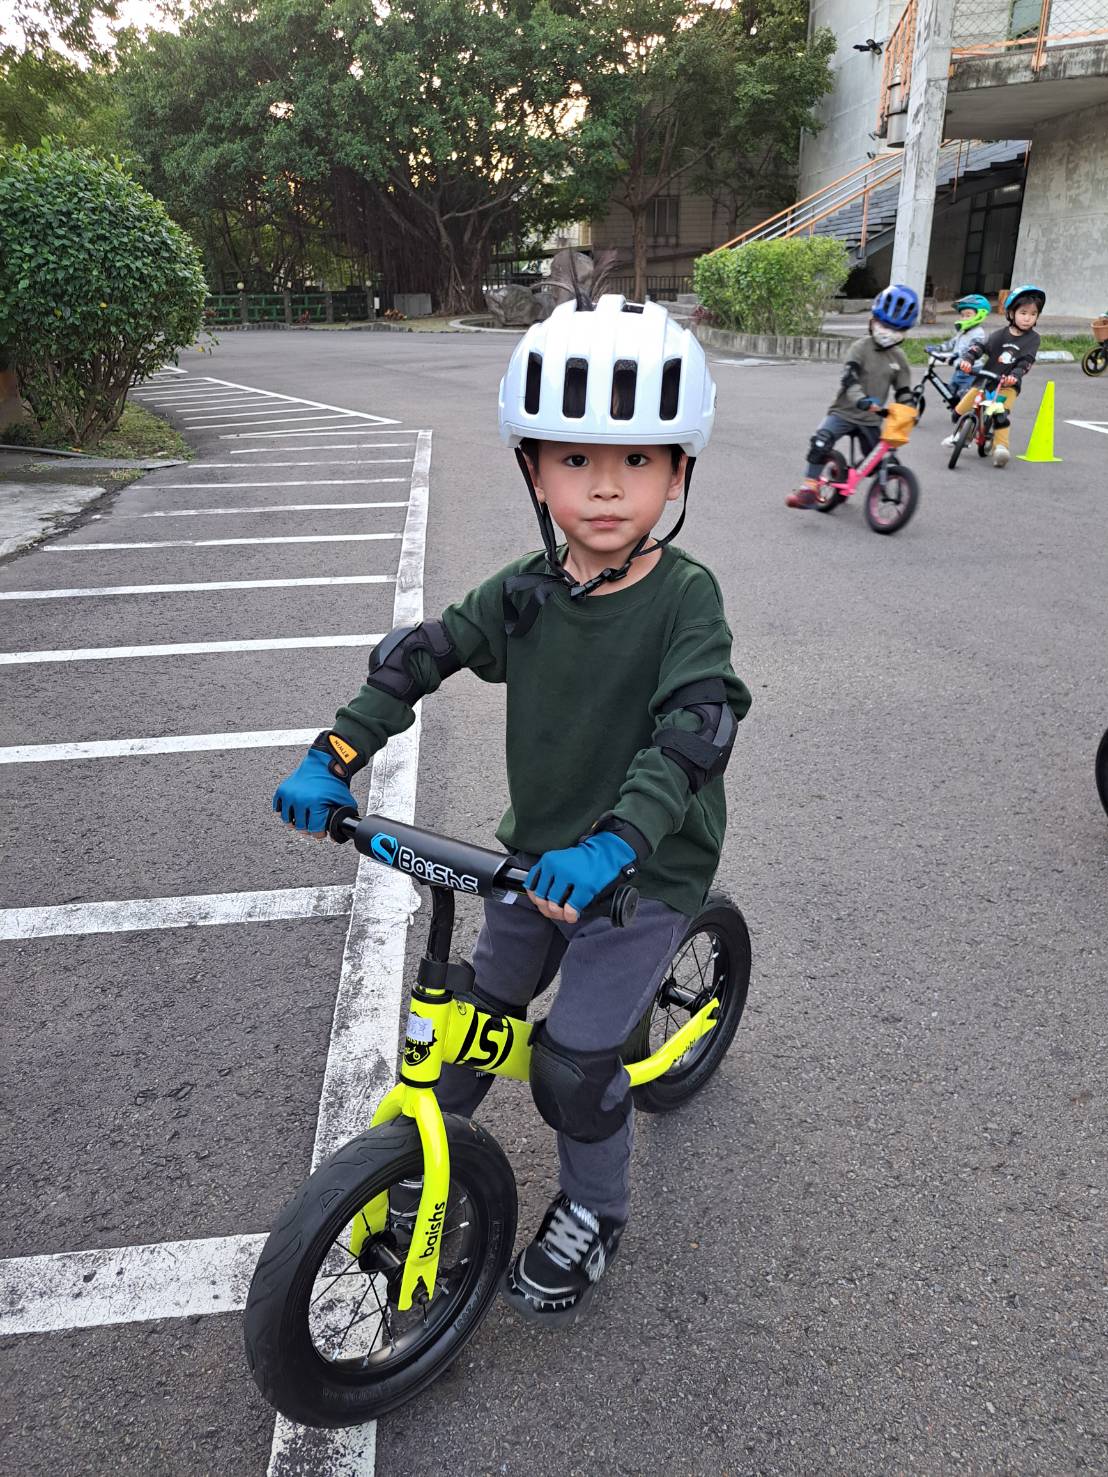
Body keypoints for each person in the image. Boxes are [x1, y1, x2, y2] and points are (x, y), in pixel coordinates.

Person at [272, 293, 752, 1325]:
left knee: (573, 1068)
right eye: (575, 459)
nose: (607, 486)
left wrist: (617, 842)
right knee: (470, 1024)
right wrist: (332, 755)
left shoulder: (684, 598)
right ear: (534, 471)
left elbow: (695, 729)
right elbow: (419, 657)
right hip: (536, 858)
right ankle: (420, 1164)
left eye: (638, 460)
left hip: (643, 871)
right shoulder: (526, 592)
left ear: (678, 473)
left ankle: (594, 1209)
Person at [786, 284, 919, 509]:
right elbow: (849, 378)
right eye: (883, 325)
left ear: (904, 332)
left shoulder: (899, 359)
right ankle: (809, 488)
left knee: (879, 461)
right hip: (844, 412)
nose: (887, 333)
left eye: (894, 330)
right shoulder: (860, 348)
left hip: (871, 419)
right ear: (872, 321)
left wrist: (909, 410)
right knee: (820, 441)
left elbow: (904, 391)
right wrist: (861, 400)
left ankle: (848, 476)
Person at [941, 284, 1044, 469]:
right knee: (959, 412)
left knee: (999, 412)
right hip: (985, 380)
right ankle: (963, 435)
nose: (1028, 318)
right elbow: (980, 347)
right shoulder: (999, 335)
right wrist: (968, 359)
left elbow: (1026, 361)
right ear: (1011, 313)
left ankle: (1001, 448)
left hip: (1007, 385)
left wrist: (1015, 375)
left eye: (1033, 314)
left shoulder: (1033, 339)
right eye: (1023, 313)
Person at [925, 293, 991, 415]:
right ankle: (957, 409)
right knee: (951, 391)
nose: (964, 318)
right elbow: (951, 343)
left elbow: (971, 351)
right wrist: (937, 348)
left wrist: (952, 358)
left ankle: (968, 416)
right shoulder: (963, 331)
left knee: (964, 395)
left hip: (971, 371)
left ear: (979, 314)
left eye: (968, 315)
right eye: (962, 315)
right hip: (959, 370)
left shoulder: (978, 333)